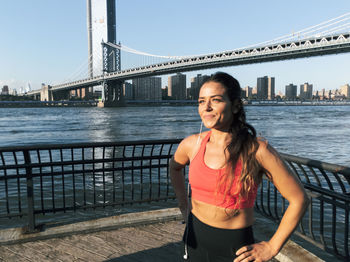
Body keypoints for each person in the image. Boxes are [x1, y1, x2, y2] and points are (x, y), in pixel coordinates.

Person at [170, 72, 309, 262]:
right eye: (201, 101)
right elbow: (175, 168)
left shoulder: (257, 150)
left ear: (235, 106)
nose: (206, 107)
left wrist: (272, 246)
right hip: (194, 239)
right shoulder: (191, 145)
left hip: (236, 251)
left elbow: (299, 199)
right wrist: (183, 205)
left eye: (215, 100)